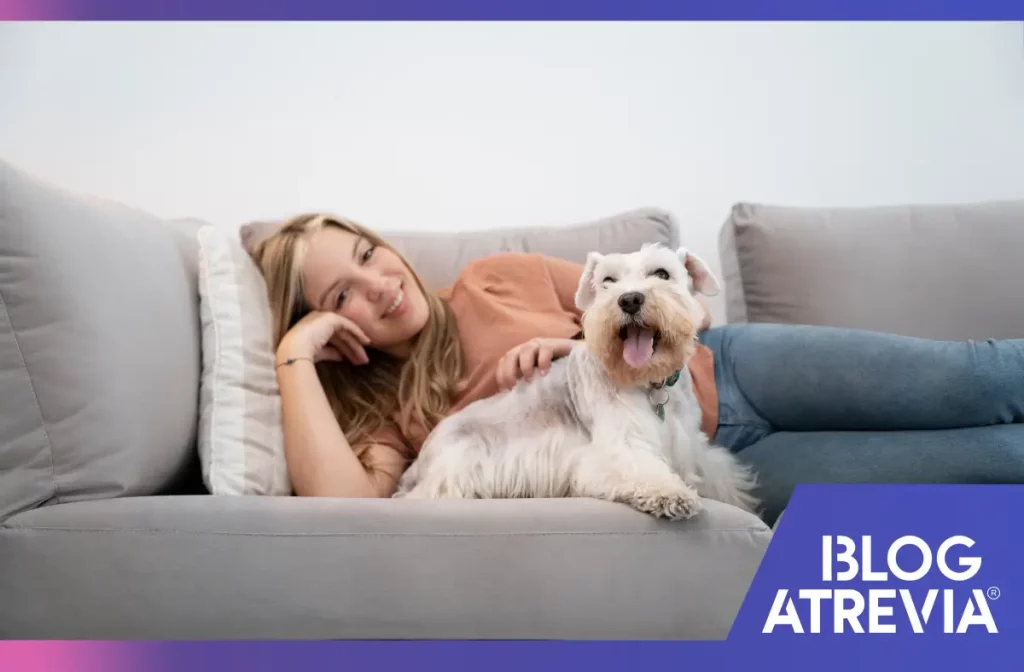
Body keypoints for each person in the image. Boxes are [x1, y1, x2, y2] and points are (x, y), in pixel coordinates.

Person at [249, 213, 1024, 522]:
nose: (379, 284)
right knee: (994, 460)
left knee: (980, 379)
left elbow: (625, 296)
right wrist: (294, 357)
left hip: (734, 371)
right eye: (340, 293)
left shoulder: (498, 274)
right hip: (728, 459)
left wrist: (571, 343)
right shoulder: (400, 415)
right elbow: (339, 505)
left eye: (366, 254)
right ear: (327, 322)